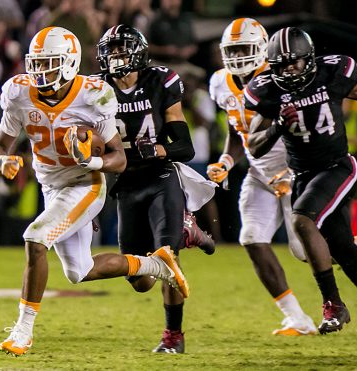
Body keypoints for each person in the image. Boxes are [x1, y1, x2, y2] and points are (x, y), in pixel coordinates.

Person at [0, 26, 189, 356]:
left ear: (69, 63)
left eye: (49, 63)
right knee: (78, 271)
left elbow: (119, 158)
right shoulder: (18, 92)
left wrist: (91, 160)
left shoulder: (92, 95)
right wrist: (2, 160)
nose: (41, 71)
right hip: (50, 186)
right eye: (36, 63)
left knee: (35, 238)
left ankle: (23, 330)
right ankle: (157, 265)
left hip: (84, 184)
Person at [245, 27, 357, 333]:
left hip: (337, 166)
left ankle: (332, 303)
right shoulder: (268, 90)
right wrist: (278, 125)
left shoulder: (331, 73)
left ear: (308, 59)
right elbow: (253, 144)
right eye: (281, 65)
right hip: (303, 174)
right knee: (341, 245)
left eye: (293, 62)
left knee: (302, 221)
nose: (288, 70)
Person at [96, 24, 215, 353]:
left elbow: (185, 146)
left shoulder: (160, 81)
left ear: (138, 52)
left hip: (161, 176)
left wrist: (156, 150)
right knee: (141, 280)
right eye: (111, 52)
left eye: (122, 50)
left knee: (167, 257)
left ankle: (173, 335)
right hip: (127, 183)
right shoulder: (95, 89)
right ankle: (188, 229)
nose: (115, 58)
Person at [207, 18, 316, 336]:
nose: (238, 56)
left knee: (304, 251)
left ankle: (356, 251)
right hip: (259, 173)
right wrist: (227, 160)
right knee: (252, 238)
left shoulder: (278, 78)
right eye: (233, 49)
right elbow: (235, 129)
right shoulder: (219, 82)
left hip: (295, 171)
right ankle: (296, 316)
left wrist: (298, 170)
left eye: (244, 48)